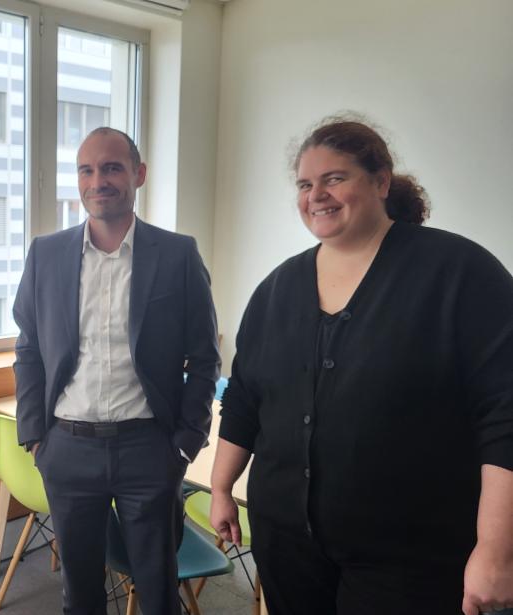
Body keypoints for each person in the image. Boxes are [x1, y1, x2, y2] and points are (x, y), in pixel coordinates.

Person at [210, 116, 513, 615]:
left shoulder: (458, 274)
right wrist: (222, 488)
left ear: (381, 180)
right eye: (305, 184)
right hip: (287, 541)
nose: (317, 195)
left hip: (410, 554)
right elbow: (244, 398)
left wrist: (496, 550)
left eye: (334, 178)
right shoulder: (276, 290)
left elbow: (505, 414)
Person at [13, 127, 220, 615]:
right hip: (68, 449)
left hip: (148, 451)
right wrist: (35, 436)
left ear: (138, 174)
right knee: (80, 595)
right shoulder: (46, 254)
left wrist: (186, 441)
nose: (98, 180)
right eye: (86, 169)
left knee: (157, 591)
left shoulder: (177, 255)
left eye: (111, 167)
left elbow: (205, 357)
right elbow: (29, 347)